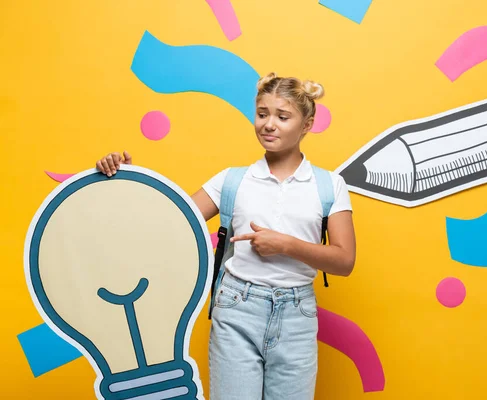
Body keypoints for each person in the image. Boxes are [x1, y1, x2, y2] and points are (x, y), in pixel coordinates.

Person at [95, 72, 356, 400]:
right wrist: (129, 177)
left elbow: (344, 261)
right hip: (237, 308)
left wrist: (285, 244)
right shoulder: (232, 181)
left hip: (297, 315)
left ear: (307, 124)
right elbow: (168, 223)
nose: (268, 124)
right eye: (262, 114)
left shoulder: (329, 185)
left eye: (282, 116)